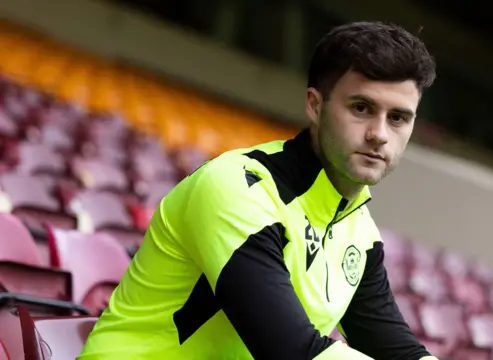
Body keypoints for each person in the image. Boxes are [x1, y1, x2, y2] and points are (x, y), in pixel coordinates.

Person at [79, 20, 437, 359]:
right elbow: (289, 350)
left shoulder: (359, 231)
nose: (379, 134)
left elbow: (395, 349)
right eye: (361, 108)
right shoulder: (237, 188)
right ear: (315, 105)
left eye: (398, 118)